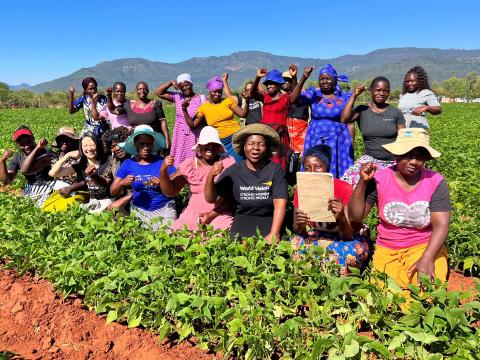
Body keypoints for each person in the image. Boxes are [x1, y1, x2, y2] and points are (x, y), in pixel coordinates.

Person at [349, 128, 451, 289]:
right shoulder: (379, 179)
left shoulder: (435, 181)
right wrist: (362, 182)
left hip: (424, 246)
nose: (414, 162)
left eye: (420, 157)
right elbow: (356, 216)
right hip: (388, 248)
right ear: (396, 155)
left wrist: (427, 257)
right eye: (408, 155)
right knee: (385, 295)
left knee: (427, 289)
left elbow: (442, 224)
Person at [290, 144, 372, 274]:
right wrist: (300, 223)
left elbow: (348, 235)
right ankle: (312, 275)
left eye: (318, 167)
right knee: (293, 242)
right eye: (307, 168)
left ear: (327, 168)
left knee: (350, 252)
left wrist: (340, 217)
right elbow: (298, 230)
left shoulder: (344, 188)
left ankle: (337, 282)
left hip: (346, 237)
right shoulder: (301, 189)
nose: (312, 172)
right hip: (319, 235)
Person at [204, 124, 288, 242]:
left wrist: (274, 233)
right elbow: (210, 199)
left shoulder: (275, 170)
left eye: (261, 144)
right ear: (244, 147)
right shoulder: (234, 171)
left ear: (267, 148)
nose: (256, 148)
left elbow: (280, 205)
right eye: (251, 143)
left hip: (270, 220)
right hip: (242, 219)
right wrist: (210, 176)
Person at [159, 126, 235, 231]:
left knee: (221, 237)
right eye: (206, 144)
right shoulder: (189, 164)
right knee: (176, 238)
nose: (210, 147)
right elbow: (170, 191)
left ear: (218, 147)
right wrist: (163, 170)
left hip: (219, 213)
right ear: (199, 146)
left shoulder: (227, 163)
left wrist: (211, 215)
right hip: (192, 214)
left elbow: (230, 197)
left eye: (214, 145)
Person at [341, 77, 406, 187]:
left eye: (385, 91)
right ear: (371, 91)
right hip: (370, 160)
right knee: (348, 181)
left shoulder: (395, 113)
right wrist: (354, 95)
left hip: (393, 161)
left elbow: (404, 137)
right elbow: (344, 118)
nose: (381, 93)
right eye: (378, 90)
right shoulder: (362, 110)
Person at [111, 125, 176, 229]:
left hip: (164, 207)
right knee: (141, 239)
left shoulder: (162, 162)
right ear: (135, 144)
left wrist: (163, 181)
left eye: (149, 144)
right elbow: (113, 191)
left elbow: (176, 183)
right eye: (142, 144)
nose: (145, 147)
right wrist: (123, 182)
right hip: (139, 208)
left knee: (169, 236)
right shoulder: (128, 163)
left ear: (153, 145)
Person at [250, 66, 313, 172]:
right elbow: (252, 93)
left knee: (279, 164)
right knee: (263, 163)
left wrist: (302, 77)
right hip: (265, 136)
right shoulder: (265, 97)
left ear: (279, 85)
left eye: (272, 83)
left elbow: (295, 95)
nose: (268, 86)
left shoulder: (285, 98)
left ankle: (279, 185)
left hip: (280, 138)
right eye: (267, 83)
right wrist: (257, 78)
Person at [300, 64, 353, 179]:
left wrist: (351, 143)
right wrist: (303, 78)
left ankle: (337, 193)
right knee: (315, 165)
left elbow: (349, 122)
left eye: (328, 78)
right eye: (322, 79)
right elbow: (294, 99)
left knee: (335, 166)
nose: (325, 81)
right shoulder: (313, 95)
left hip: (338, 139)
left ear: (335, 80)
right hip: (315, 138)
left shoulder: (344, 97)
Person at [183, 76, 249, 162]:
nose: (217, 94)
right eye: (215, 91)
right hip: (220, 142)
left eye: (220, 92)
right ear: (209, 91)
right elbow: (193, 124)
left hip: (235, 138)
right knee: (225, 166)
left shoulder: (228, 101)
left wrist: (247, 101)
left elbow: (243, 114)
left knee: (238, 162)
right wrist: (184, 109)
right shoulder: (204, 108)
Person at [154, 74, 206, 167]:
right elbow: (158, 92)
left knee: (195, 160)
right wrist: (171, 82)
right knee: (180, 160)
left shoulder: (201, 99)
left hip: (195, 134)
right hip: (180, 135)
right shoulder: (178, 97)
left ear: (191, 84)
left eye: (186, 85)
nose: (185, 88)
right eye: (181, 86)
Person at [0, 126, 55, 207]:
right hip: (30, 186)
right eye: (22, 144)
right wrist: (2, 160)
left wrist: (37, 148)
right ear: (17, 145)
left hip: (47, 184)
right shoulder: (18, 157)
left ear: (33, 138)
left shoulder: (44, 151)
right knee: (4, 190)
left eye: (28, 142)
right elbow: (7, 181)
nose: (26, 146)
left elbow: (26, 170)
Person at [111, 82, 170, 148]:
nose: (142, 91)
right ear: (136, 91)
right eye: (140, 89)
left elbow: (163, 121)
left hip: (153, 141)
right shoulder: (128, 104)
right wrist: (108, 96)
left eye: (144, 89)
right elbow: (113, 110)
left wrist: (167, 140)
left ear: (148, 91)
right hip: (135, 141)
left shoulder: (156, 104)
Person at [43, 126, 88, 211]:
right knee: (47, 208)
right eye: (61, 140)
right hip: (58, 189)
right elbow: (52, 173)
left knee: (64, 209)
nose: (64, 142)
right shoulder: (54, 156)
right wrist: (67, 156)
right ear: (58, 142)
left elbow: (86, 179)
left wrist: (71, 188)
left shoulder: (80, 157)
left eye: (68, 140)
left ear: (74, 142)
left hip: (76, 189)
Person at [73, 132, 115, 213]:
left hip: (109, 200)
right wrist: (67, 155)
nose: (89, 148)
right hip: (93, 201)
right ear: (81, 148)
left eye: (92, 145)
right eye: (85, 146)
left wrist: (93, 175)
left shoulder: (108, 160)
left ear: (98, 145)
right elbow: (52, 173)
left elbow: (106, 182)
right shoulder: (81, 164)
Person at [101, 127, 132, 213]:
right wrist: (92, 175)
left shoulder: (137, 159)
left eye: (120, 143)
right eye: (113, 146)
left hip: (137, 198)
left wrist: (121, 200)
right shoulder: (114, 160)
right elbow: (106, 179)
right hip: (121, 197)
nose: (117, 148)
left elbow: (145, 187)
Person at [282, 66, 309, 155]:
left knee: (300, 157)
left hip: (300, 132)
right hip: (288, 133)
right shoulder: (283, 96)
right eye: (283, 80)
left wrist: (294, 76)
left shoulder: (302, 94)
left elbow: (295, 95)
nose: (284, 83)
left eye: (287, 80)